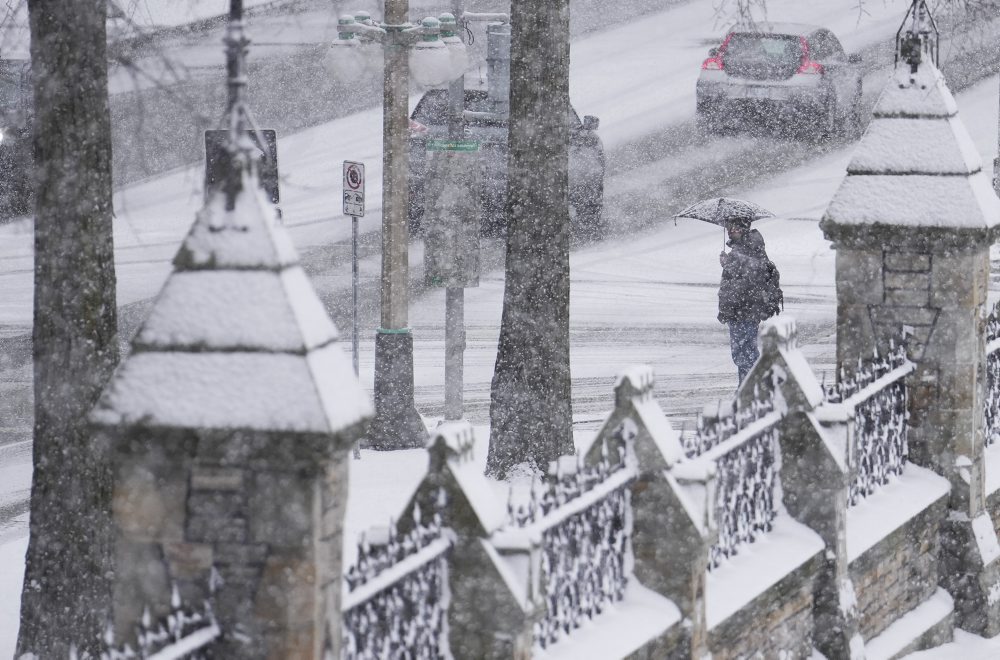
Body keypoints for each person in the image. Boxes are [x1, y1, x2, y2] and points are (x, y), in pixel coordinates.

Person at [717, 217, 782, 383]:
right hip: (738, 310)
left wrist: (730, 263)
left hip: (745, 309)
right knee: (742, 353)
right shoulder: (740, 249)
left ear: (744, 228)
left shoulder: (751, 246)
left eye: (735, 227)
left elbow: (754, 273)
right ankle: (748, 388)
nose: (731, 230)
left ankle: (754, 388)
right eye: (729, 227)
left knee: (745, 354)